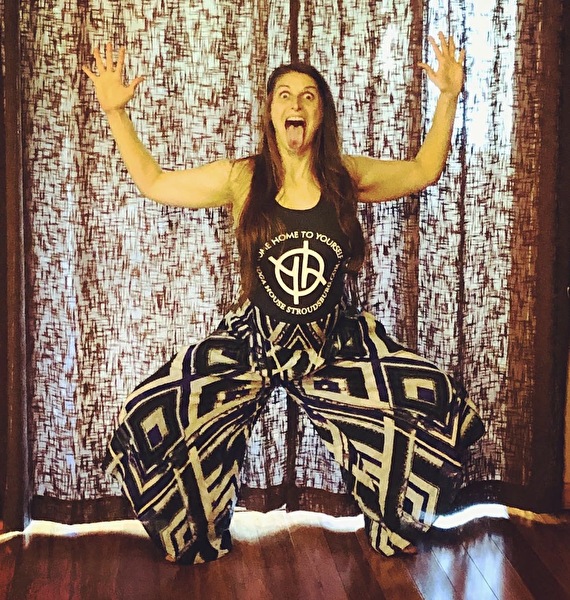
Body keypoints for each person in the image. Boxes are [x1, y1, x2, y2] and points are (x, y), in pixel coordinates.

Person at [83, 33, 484, 564]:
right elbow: (154, 181)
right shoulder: (243, 178)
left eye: (309, 96)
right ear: (271, 113)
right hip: (256, 340)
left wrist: (449, 96)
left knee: (429, 399)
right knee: (154, 410)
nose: (296, 104)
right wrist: (115, 112)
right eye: (285, 96)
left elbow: (422, 171)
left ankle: (395, 523)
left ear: (321, 114)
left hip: (332, 343)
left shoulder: (345, 177)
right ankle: (195, 534)